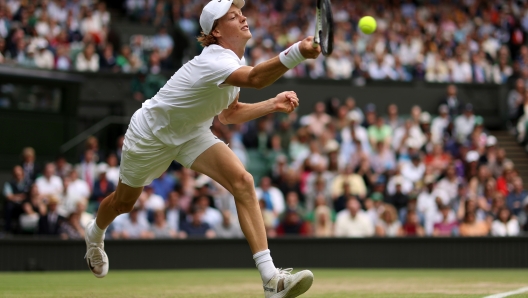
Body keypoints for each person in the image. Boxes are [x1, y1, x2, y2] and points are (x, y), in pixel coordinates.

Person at [83, 1, 318, 296]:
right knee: (123, 204)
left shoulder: (230, 62)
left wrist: (272, 104)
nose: (243, 17)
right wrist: (297, 52)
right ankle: (94, 234)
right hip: (150, 134)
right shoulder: (215, 61)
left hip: (192, 133)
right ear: (217, 31)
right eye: (234, 16)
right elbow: (257, 78)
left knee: (243, 182)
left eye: (241, 13)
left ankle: (271, 279)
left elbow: (229, 114)